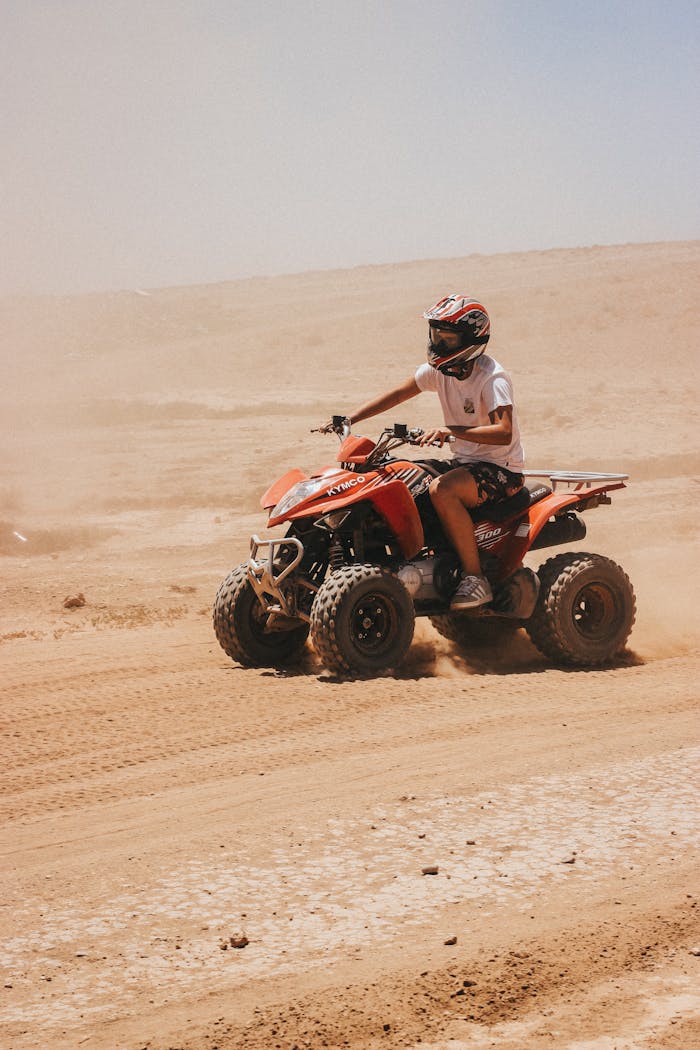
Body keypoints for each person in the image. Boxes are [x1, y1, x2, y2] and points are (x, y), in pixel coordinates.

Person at [319, 295, 525, 610]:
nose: (439, 343)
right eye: (435, 335)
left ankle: (475, 579)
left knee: (443, 489)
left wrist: (449, 432)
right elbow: (399, 393)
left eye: (448, 337)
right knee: (396, 475)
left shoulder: (491, 377)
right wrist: (350, 419)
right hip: (465, 464)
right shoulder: (439, 371)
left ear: (471, 339)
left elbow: (504, 431)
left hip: (501, 470)